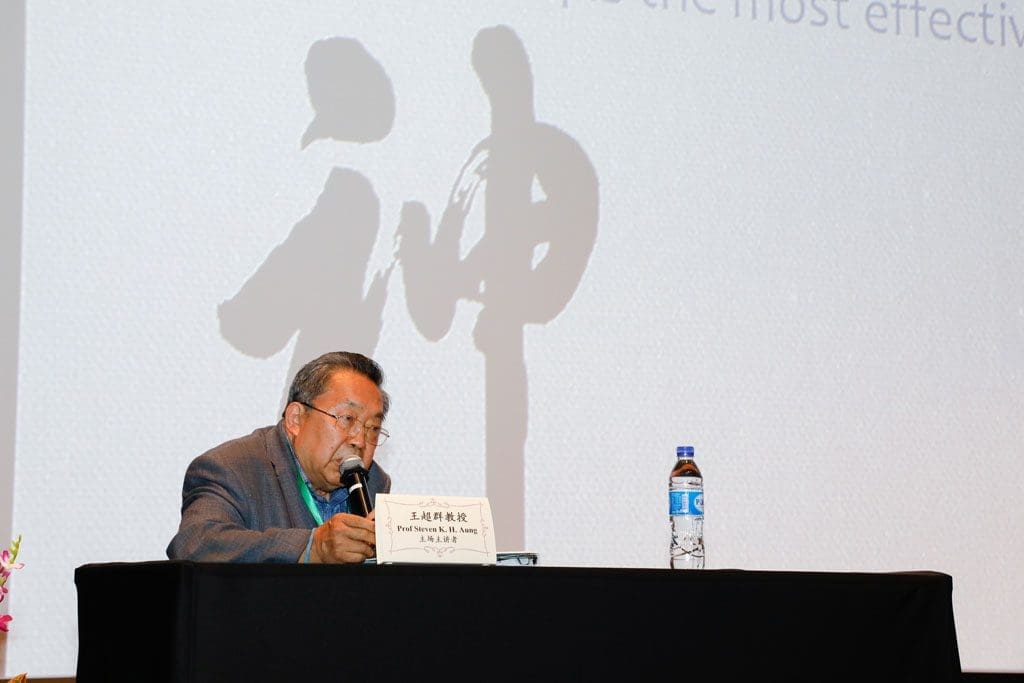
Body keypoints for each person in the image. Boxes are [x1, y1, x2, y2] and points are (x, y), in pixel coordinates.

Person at [167, 351, 392, 563]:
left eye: (373, 428)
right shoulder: (230, 468)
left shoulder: (374, 482)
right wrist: (312, 548)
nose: (360, 441)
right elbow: (194, 544)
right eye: (347, 419)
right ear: (296, 419)